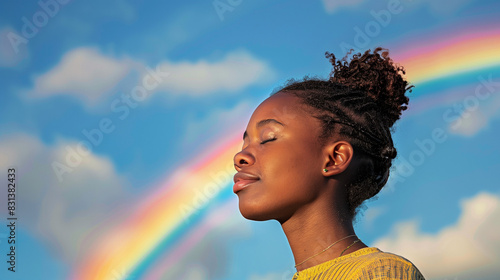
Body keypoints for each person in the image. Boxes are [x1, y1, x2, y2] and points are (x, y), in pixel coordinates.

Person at [232, 48, 425, 279]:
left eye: (268, 138)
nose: (240, 157)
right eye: (245, 144)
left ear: (335, 158)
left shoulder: (381, 273)